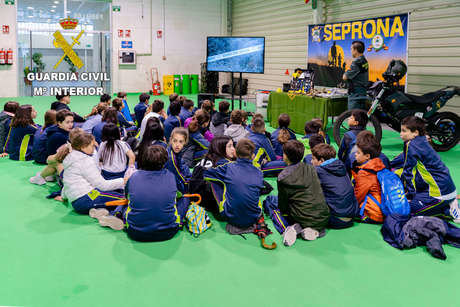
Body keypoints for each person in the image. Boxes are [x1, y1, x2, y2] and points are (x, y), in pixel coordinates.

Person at [107, 145, 190, 241]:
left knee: (126, 201)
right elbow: (178, 194)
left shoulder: (134, 177)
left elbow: (127, 196)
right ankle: (178, 222)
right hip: (168, 232)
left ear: (144, 159)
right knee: (185, 198)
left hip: (135, 232)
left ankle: (117, 213)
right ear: (164, 161)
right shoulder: (171, 177)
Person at [391, 116, 458, 221]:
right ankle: (448, 202)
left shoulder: (412, 145)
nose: (401, 134)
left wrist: (410, 196)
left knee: (405, 210)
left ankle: (447, 210)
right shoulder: (422, 140)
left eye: (404, 131)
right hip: (448, 188)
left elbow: (409, 173)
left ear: (415, 133)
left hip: (439, 194)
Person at [60, 131, 128, 215]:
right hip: (87, 198)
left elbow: (67, 181)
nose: (94, 147)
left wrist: (63, 196)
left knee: (112, 196)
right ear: (83, 147)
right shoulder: (84, 161)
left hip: (77, 203)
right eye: (92, 145)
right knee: (125, 199)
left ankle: (101, 212)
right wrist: (123, 181)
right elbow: (103, 185)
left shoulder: (71, 158)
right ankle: (115, 214)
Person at [204, 138, 264, 228]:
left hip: (230, 217)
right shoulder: (259, 173)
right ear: (253, 155)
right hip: (253, 218)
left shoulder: (228, 167)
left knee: (215, 182)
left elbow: (206, 173)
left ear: (236, 152)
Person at [311, 143, 358, 229]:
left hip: (335, 219)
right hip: (351, 216)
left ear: (321, 160)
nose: (311, 161)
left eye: (313, 159)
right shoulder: (340, 166)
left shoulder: (318, 170)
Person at [189, 135, 236, 212]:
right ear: (220, 148)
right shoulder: (223, 164)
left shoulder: (207, 158)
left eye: (233, 146)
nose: (233, 149)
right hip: (210, 202)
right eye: (229, 146)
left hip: (195, 197)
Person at [352, 131, 386, 223]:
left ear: (367, 156)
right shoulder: (378, 164)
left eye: (358, 153)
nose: (355, 154)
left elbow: (358, 196)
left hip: (374, 214)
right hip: (383, 209)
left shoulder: (365, 173)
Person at [343, 41, 369, 110]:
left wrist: (346, 72)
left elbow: (345, 77)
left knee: (353, 116)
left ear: (355, 50)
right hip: (362, 92)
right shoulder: (364, 60)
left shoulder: (356, 62)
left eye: (351, 49)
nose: (351, 51)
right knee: (360, 117)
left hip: (355, 94)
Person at [165, 127, 192, 194]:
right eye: (175, 141)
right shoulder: (170, 158)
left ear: (185, 142)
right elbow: (178, 178)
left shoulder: (177, 152)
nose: (177, 145)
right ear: (171, 140)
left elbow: (181, 164)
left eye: (181, 141)